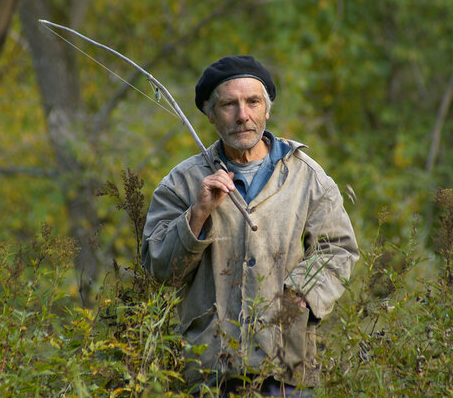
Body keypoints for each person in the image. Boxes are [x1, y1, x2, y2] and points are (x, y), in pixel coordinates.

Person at [141, 55, 359, 395]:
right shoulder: (182, 183)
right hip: (210, 368)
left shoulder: (306, 176)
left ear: (267, 110)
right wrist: (198, 213)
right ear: (210, 114)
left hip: (286, 365)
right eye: (229, 104)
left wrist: (300, 295)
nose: (243, 115)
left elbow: (339, 249)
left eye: (252, 102)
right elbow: (160, 269)